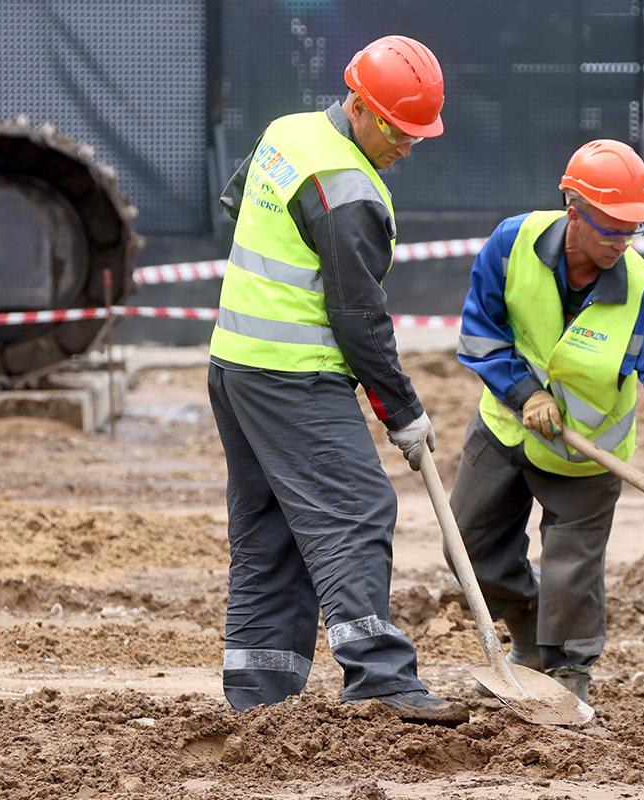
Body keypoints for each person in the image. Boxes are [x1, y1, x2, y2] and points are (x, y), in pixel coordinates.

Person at [207, 35, 467, 725]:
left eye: (418, 134)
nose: (407, 146)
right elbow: (359, 320)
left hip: (234, 366)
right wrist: (403, 413)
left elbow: (235, 207)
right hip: (294, 376)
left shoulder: (286, 134)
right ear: (358, 104)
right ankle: (379, 677)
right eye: (397, 129)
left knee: (273, 532)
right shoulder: (349, 192)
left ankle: (259, 698)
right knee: (357, 509)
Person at [451, 140, 644, 703]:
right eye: (611, 228)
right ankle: (526, 627)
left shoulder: (641, 296)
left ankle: (568, 672)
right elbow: (480, 333)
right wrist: (524, 392)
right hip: (505, 429)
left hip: (585, 456)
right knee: (468, 545)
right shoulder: (513, 243)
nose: (622, 242)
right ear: (574, 211)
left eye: (633, 230)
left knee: (571, 574)